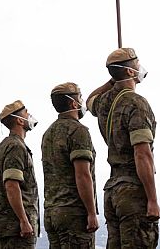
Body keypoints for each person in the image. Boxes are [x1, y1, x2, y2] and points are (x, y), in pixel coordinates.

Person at [87, 47, 160, 248]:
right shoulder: (137, 103)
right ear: (130, 71)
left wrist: (113, 79)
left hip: (112, 191)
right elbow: (142, 153)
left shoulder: (104, 102)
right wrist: (152, 199)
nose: (139, 68)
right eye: (136, 65)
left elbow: (88, 100)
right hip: (133, 190)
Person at [41, 82, 99, 248]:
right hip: (74, 213)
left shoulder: (48, 133)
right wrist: (91, 212)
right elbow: (82, 174)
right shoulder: (78, 131)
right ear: (74, 103)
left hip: (52, 213)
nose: (82, 101)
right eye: (80, 98)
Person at [0, 100, 40, 249]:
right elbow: (11, 186)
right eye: (26, 113)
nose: (29, 116)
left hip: (3, 226)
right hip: (15, 229)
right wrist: (24, 220)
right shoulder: (15, 147)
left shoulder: (0, 148)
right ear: (19, 120)